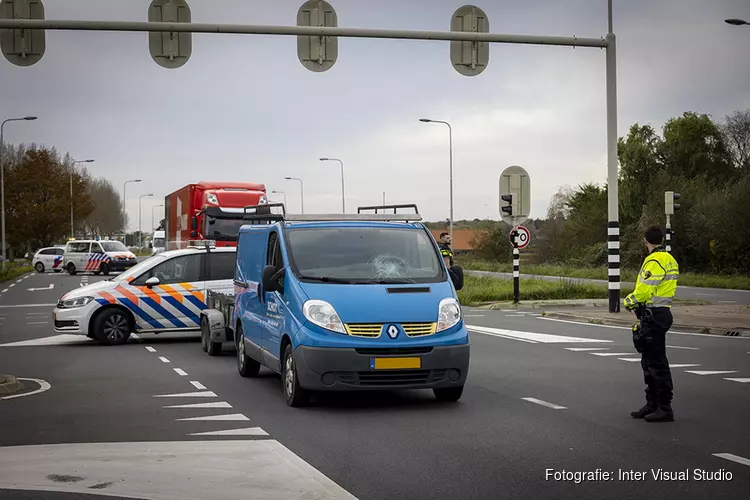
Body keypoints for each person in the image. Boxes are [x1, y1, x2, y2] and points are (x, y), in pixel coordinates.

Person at [624, 226, 679, 423]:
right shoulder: (669, 259)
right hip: (660, 313)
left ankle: (664, 407)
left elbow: (645, 290)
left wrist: (628, 301)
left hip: (654, 314)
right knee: (648, 360)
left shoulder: (654, 260)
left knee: (655, 363)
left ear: (645, 241)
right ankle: (652, 404)